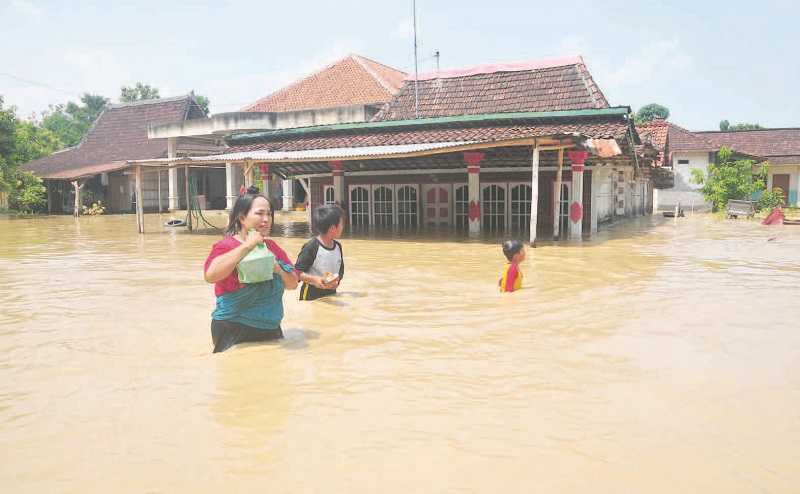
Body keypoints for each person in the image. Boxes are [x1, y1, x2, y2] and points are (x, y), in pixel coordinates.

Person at [203, 186, 298, 353]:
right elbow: (211, 275)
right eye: (260, 213)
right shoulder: (226, 246)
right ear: (242, 217)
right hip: (233, 327)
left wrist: (278, 269)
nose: (266, 219)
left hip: (270, 327)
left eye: (269, 214)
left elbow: (293, 284)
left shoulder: (272, 248)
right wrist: (248, 245)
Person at [295, 204, 345, 301]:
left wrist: (337, 281)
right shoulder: (311, 247)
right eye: (341, 224)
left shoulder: (338, 247)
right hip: (310, 295)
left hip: (331, 293)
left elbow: (340, 269)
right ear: (332, 229)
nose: (343, 227)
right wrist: (315, 280)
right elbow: (296, 273)